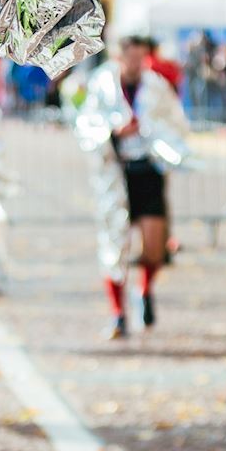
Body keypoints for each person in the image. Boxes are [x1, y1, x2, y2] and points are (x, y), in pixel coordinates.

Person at [76, 36, 189, 339]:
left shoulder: (156, 86)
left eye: (142, 58)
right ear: (119, 57)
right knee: (115, 245)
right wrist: (113, 133)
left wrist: (163, 145)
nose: (137, 64)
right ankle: (118, 314)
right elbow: (86, 123)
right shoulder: (102, 85)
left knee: (153, 243)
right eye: (132, 58)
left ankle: (145, 291)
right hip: (116, 172)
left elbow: (176, 122)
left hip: (148, 169)